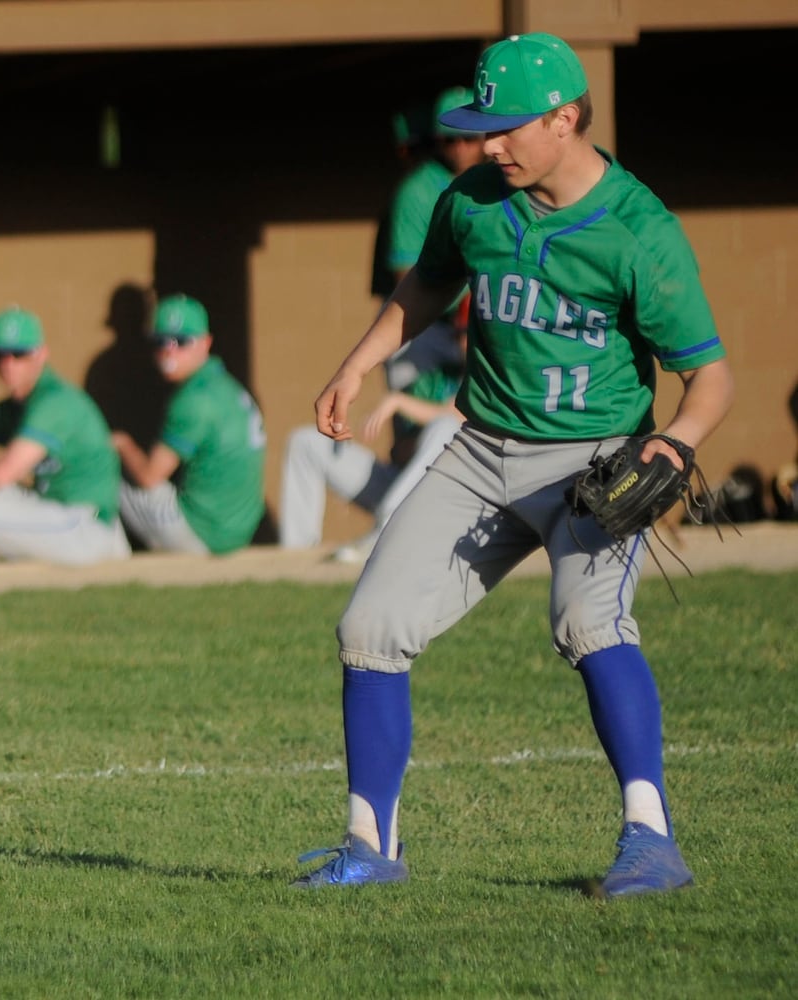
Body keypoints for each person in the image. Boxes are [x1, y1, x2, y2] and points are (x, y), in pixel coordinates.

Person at [292, 33, 734, 896]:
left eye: (505, 127)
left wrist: (673, 442)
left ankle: (650, 840)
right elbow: (427, 283)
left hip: (592, 460)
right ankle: (369, 847)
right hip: (481, 449)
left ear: (565, 119)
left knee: (588, 625)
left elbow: (707, 378)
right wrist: (355, 364)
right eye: (480, 127)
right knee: (368, 630)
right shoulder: (474, 199)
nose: (487, 143)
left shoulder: (639, 232)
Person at [0, 307, 129, 566]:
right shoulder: (12, 407)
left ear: (42, 354)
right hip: (53, 513)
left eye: (19, 354)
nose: (8, 364)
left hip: (85, 526)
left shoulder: (54, 400)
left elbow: (3, 474)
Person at [278, 333, 465, 562]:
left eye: (470, 334)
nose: (464, 341)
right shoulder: (433, 379)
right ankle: (295, 563)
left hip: (454, 502)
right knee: (304, 443)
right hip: (406, 487)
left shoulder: (496, 378)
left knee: (444, 426)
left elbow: (455, 415)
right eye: (461, 334)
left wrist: (397, 402)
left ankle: (388, 528)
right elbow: (401, 451)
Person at [110, 294, 265, 556]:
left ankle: (106, 560)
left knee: (102, 470)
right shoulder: (225, 385)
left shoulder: (193, 397)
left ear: (205, 343)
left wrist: (122, 444)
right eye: (161, 341)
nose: (169, 351)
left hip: (204, 534)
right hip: (238, 530)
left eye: (181, 341)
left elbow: (150, 477)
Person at [382, 86, 485, 401]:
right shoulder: (417, 190)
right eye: (450, 140)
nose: (460, 148)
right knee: (417, 426)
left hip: (483, 325)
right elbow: (406, 278)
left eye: (469, 138)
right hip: (426, 325)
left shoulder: (502, 181)